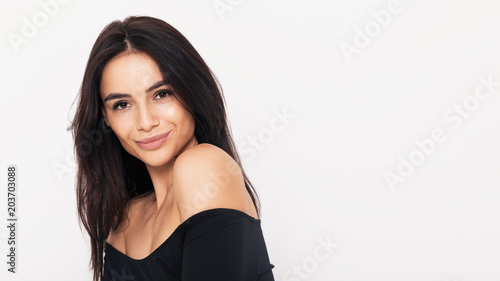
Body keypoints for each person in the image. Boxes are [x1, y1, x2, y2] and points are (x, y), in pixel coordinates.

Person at [68, 16, 275, 281]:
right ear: (105, 119)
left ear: (192, 91)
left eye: (162, 93)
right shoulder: (124, 217)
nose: (146, 122)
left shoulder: (203, 167)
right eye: (122, 104)